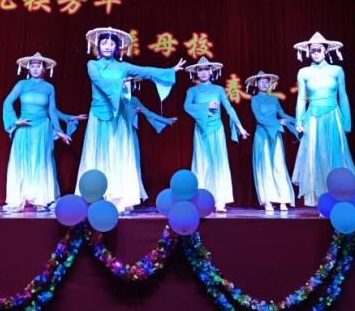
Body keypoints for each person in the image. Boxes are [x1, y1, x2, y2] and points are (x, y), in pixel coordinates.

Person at [79, 26, 185, 212]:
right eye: (104, 42)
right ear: (98, 46)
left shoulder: (123, 67)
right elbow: (100, 82)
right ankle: (95, 196)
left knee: (118, 153)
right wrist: (122, 82)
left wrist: (170, 71)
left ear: (117, 47)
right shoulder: (92, 65)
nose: (107, 46)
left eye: (111, 43)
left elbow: (145, 71)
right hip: (98, 114)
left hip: (119, 116)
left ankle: (119, 197)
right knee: (96, 153)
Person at [2, 52, 87, 212]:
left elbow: (52, 111)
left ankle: (41, 199)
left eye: (38, 66)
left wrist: (62, 127)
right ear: (28, 68)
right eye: (32, 66)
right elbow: (7, 102)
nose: (35, 69)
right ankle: (17, 200)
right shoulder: (22, 85)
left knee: (41, 163)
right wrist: (14, 120)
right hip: (24, 128)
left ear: (44, 69)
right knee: (22, 162)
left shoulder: (49, 87)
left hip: (42, 128)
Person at [291, 32, 355, 206]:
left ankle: (341, 194)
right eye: (313, 50)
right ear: (309, 52)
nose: (315, 53)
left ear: (326, 50)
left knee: (337, 154)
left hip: (333, 116)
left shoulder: (337, 70)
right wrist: (298, 121)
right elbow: (301, 98)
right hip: (313, 118)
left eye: (319, 50)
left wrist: (347, 122)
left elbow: (343, 96)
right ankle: (321, 199)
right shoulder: (304, 72)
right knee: (317, 156)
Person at [183, 56, 249, 212]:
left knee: (219, 163)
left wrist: (239, 126)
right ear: (196, 72)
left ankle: (220, 201)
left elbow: (229, 108)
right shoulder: (192, 91)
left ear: (211, 71)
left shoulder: (218, 89)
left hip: (217, 129)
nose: (203, 72)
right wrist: (206, 105)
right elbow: (187, 107)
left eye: (206, 69)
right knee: (202, 163)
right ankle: (201, 200)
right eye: (200, 69)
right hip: (201, 130)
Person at [246, 70, 297, 214]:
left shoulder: (274, 99)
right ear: (256, 84)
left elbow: (283, 115)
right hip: (262, 135)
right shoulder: (255, 99)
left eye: (266, 81)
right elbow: (260, 118)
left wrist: (298, 121)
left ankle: (282, 199)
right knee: (265, 167)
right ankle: (267, 200)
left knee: (279, 165)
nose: (264, 83)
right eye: (261, 81)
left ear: (270, 83)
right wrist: (278, 122)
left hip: (276, 134)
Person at [120, 77, 177, 205]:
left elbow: (147, 112)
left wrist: (166, 120)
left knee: (131, 163)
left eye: (129, 82)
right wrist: (132, 112)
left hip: (130, 135)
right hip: (116, 134)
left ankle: (129, 198)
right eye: (124, 81)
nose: (126, 84)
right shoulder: (115, 98)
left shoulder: (134, 100)